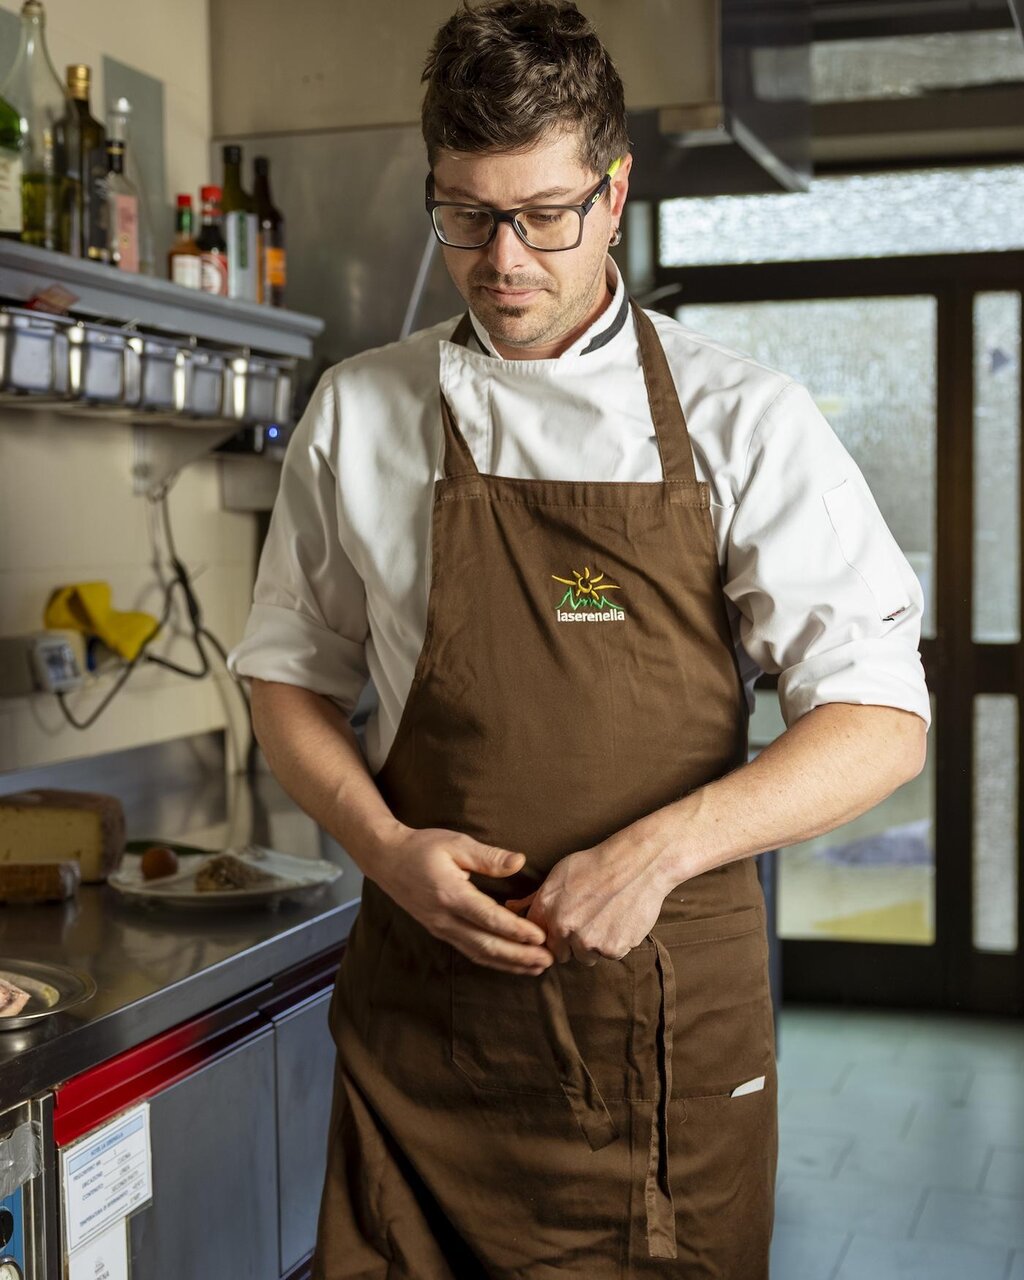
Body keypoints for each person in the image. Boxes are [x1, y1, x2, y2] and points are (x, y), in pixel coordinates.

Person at [227, 2, 930, 1275]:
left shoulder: (742, 418)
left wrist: (659, 849)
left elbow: (878, 721)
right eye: (465, 214)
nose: (503, 260)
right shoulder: (362, 409)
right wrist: (382, 848)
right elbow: (287, 674)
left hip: (655, 1038)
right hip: (422, 1036)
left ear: (614, 191)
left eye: (544, 214)